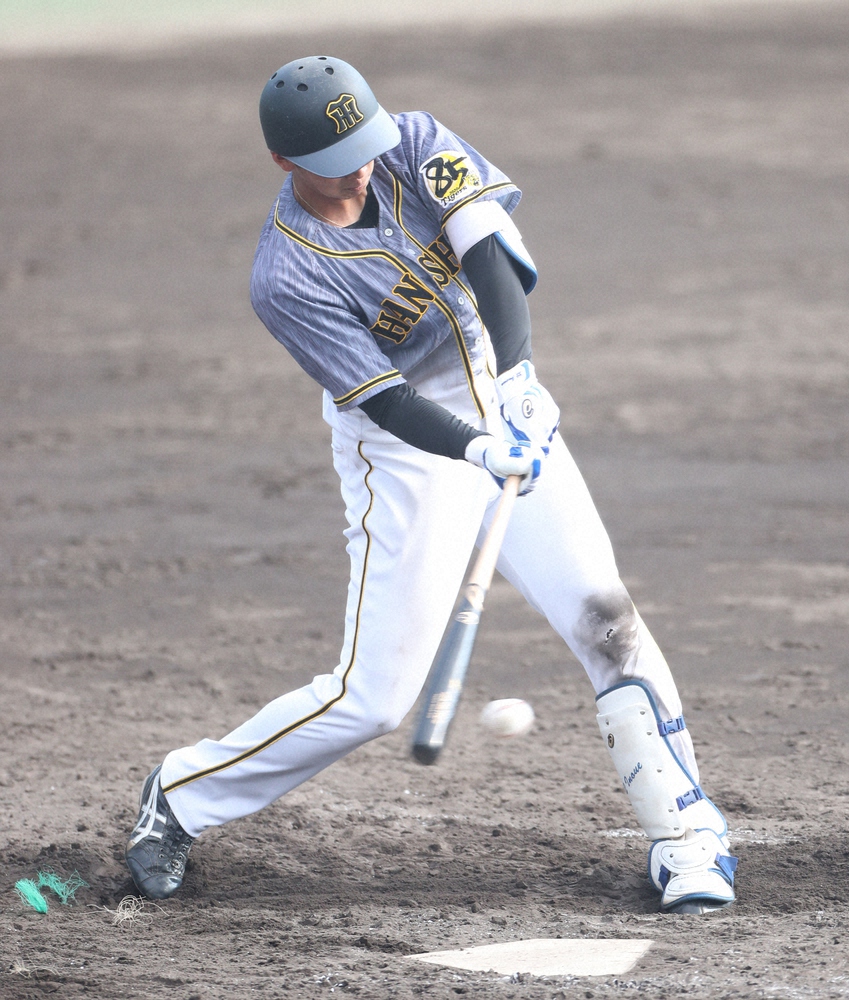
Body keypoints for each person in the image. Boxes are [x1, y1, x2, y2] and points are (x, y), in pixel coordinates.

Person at [124, 55, 737, 914]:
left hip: (508, 404)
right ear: (284, 162)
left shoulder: (413, 143)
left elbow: (487, 256)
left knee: (608, 622)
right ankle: (181, 794)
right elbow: (387, 400)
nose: (362, 169)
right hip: (406, 453)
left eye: (365, 147)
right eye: (337, 160)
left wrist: (516, 379)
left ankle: (686, 835)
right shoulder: (287, 277)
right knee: (374, 699)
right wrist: (476, 450)